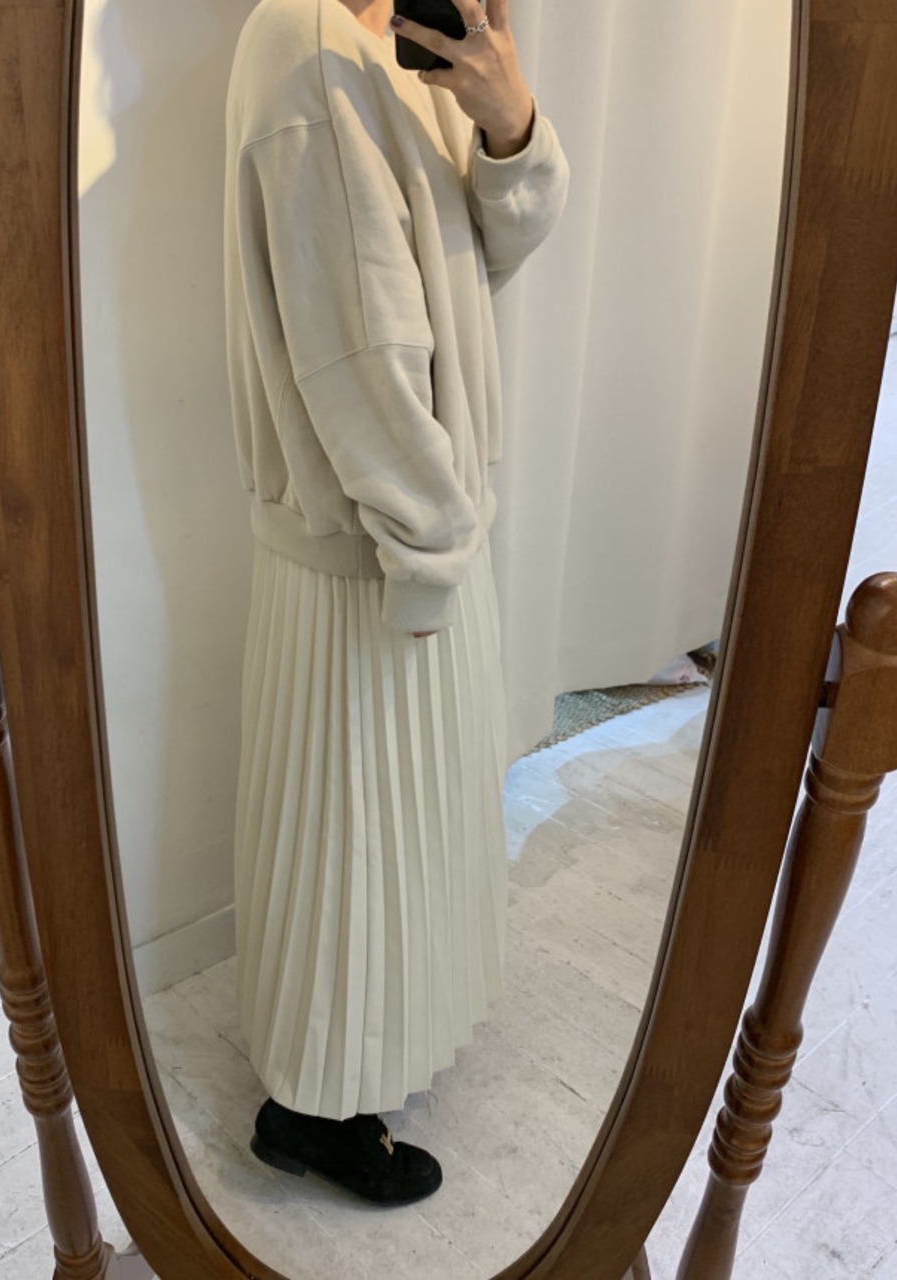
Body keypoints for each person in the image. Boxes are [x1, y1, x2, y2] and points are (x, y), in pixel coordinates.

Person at [223, 0, 568, 1205]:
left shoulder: (383, 48)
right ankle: (308, 1109)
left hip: (407, 525)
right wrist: (432, 544)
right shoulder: (310, 50)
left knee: (378, 834)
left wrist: (507, 126)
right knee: (354, 842)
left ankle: (340, 1075)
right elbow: (359, 351)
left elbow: (477, 260)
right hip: (376, 544)